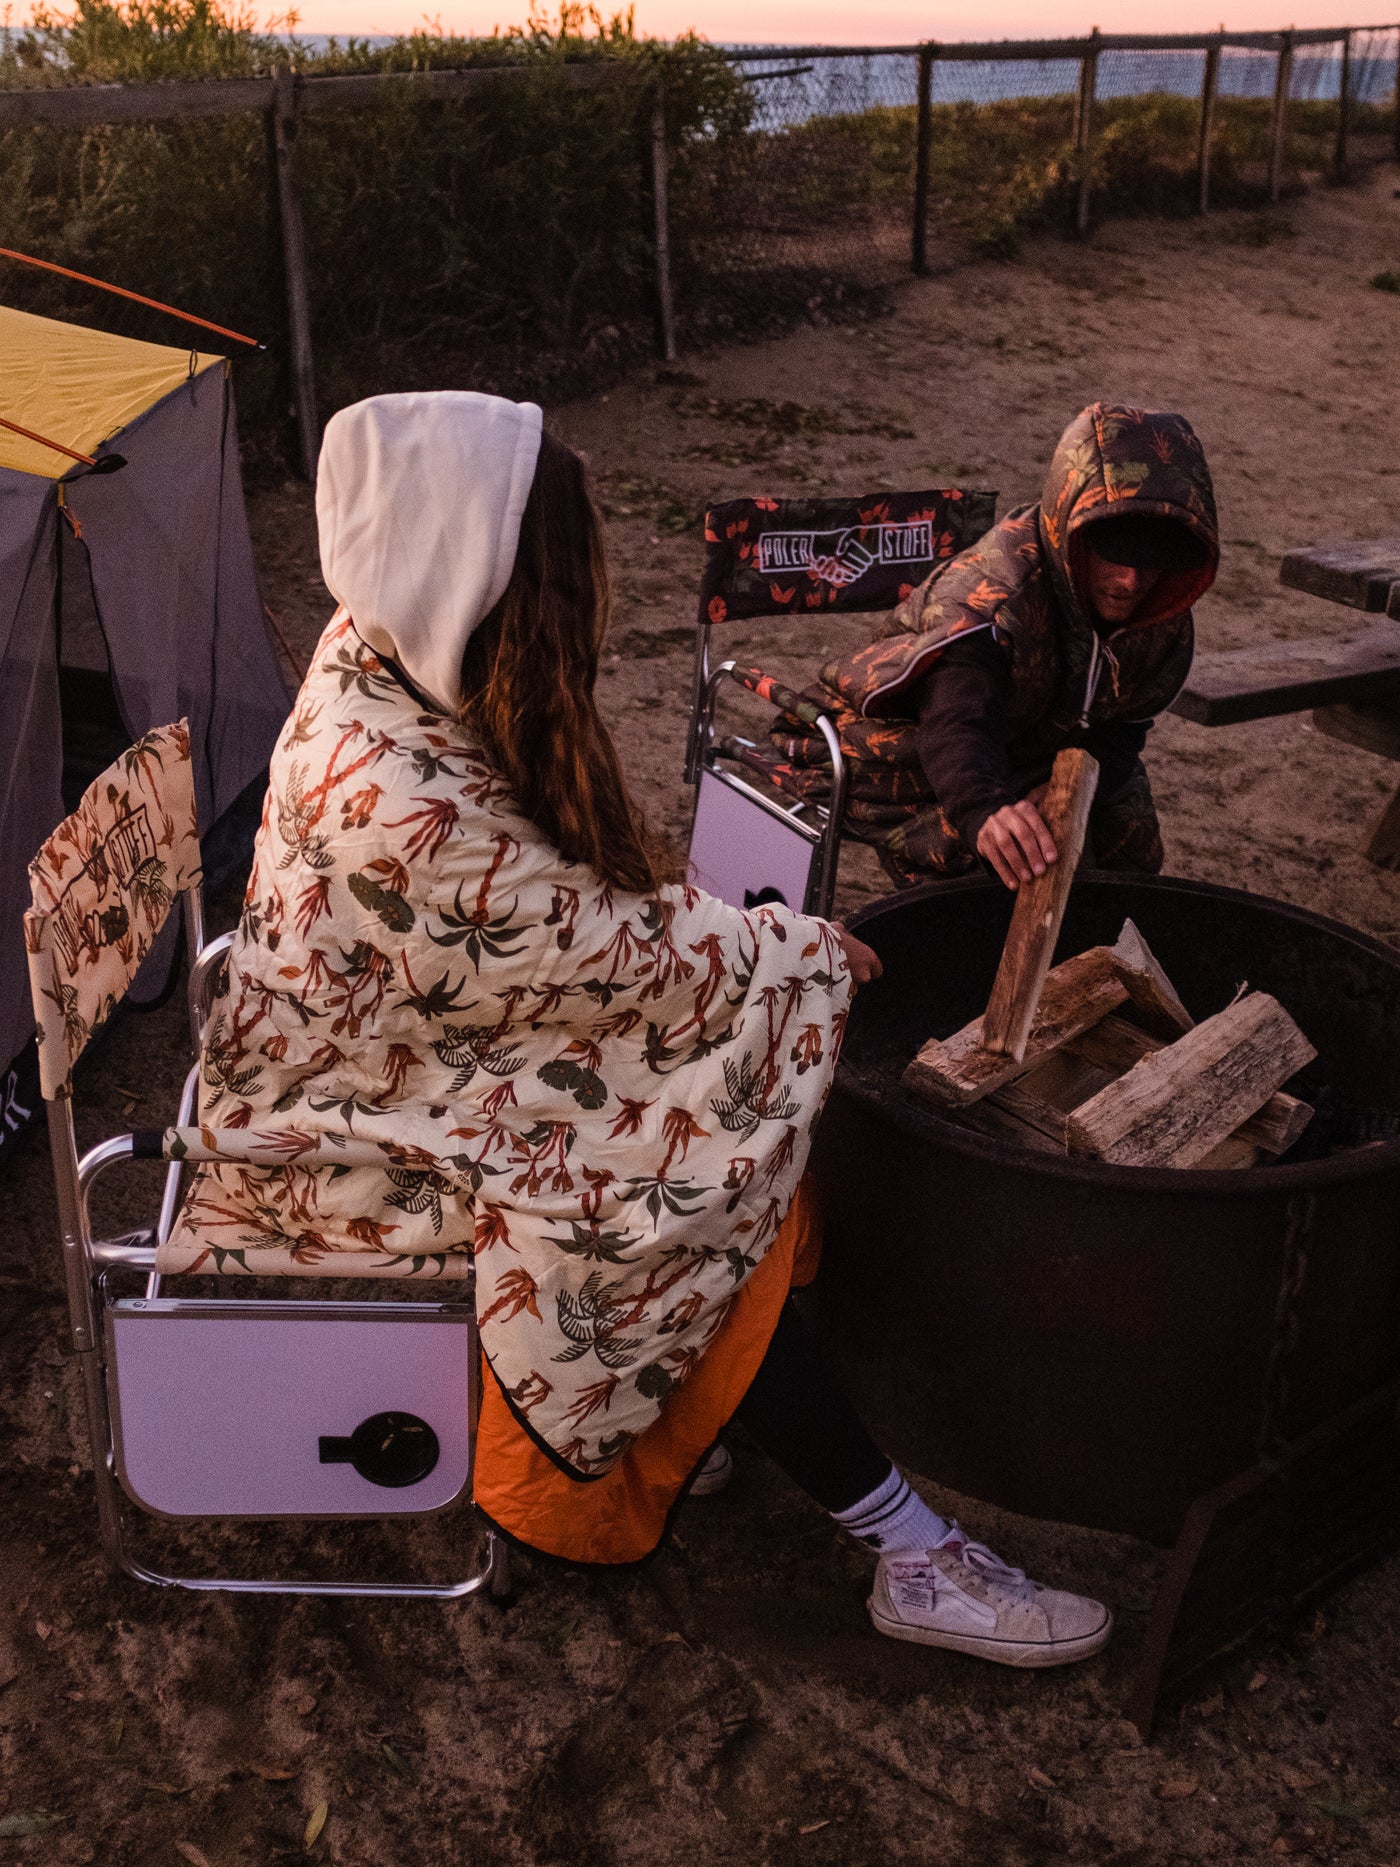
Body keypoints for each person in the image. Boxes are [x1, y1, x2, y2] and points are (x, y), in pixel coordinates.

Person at [165, 391, 1111, 1669]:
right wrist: (803, 952)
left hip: (407, 1057)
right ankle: (906, 1548)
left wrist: (751, 964)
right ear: (463, 566)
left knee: (716, 1108)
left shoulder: (378, 647)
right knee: (677, 1192)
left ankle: (698, 1405)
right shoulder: (385, 787)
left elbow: (578, 938)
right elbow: (596, 947)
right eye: (550, 564)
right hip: (343, 1129)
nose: (574, 596)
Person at [770, 402, 1220, 888]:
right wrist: (986, 811)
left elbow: (1125, 727)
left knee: (1121, 826)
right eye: (1115, 555)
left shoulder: (1161, 616)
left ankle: (1095, 954)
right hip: (891, 741)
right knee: (996, 850)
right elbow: (954, 721)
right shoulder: (994, 599)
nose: (1132, 582)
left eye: (1152, 562)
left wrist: (1067, 787)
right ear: (1072, 531)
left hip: (1026, 736)